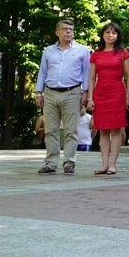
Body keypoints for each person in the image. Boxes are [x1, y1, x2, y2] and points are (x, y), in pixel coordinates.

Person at [34, 19, 90, 174]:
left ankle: (69, 162)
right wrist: (38, 92)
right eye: (65, 29)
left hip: (72, 92)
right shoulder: (48, 51)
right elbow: (42, 72)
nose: (68, 32)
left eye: (71, 29)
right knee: (51, 130)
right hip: (50, 93)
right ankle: (51, 163)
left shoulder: (82, 50)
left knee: (71, 130)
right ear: (57, 32)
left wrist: (85, 93)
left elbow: (86, 73)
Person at [87, 22, 129, 175]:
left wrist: (128, 97)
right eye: (107, 32)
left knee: (116, 129)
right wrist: (90, 99)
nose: (110, 35)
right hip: (100, 94)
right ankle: (104, 164)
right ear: (102, 35)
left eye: (114, 33)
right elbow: (92, 78)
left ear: (118, 36)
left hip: (117, 93)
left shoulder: (123, 53)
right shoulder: (96, 54)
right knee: (102, 130)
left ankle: (113, 164)